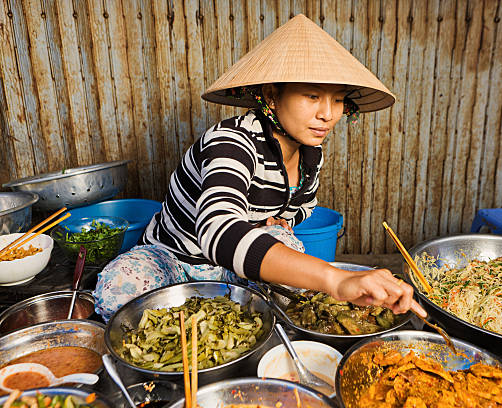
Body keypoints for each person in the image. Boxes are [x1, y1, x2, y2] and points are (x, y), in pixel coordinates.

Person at [93, 14, 427, 322]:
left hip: (233, 270)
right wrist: (336, 279)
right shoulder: (231, 141)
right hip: (173, 260)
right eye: (312, 96)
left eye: (338, 99)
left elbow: (302, 207)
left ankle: (232, 311)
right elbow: (217, 231)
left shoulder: (311, 153)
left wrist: (280, 222)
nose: (328, 114)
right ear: (271, 96)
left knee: (289, 250)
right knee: (118, 291)